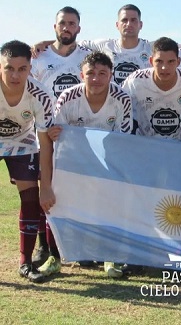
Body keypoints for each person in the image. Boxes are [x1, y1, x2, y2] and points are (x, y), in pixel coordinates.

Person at [43, 51, 133, 278]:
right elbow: (58, 135)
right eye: (91, 73)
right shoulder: (68, 97)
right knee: (58, 205)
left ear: (111, 75)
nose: (96, 78)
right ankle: (54, 256)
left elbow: (124, 139)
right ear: (81, 74)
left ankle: (110, 256)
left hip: (107, 161)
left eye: (102, 73)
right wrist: (54, 134)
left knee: (110, 207)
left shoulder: (122, 99)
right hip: (72, 162)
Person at [30, 6, 91, 266]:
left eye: (72, 24)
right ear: (54, 26)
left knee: (78, 190)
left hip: (76, 135)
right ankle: (45, 247)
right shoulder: (38, 57)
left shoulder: (89, 54)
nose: (67, 27)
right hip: (45, 133)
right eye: (62, 23)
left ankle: (80, 247)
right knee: (44, 189)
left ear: (79, 28)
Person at [0, 40, 55, 283]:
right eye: (9, 68)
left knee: (32, 198)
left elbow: (45, 144)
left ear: (30, 68)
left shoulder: (40, 95)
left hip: (22, 142)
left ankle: (25, 262)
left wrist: (46, 186)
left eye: (22, 69)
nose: (15, 75)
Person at [122, 37, 181, 141]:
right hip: (146, 143)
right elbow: (119, 104)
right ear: (151, 61)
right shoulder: (135, 80)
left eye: (171, 61)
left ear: (178, 62)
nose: (164, 67)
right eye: (159, 61)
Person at [79, 4, 152, 85]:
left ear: (141, 25)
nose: (129, 24)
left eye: (133, 20)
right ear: (117, 25)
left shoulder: (151, 49)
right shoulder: (106, 45)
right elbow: (76, 45)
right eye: (124, 20)